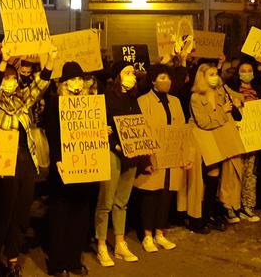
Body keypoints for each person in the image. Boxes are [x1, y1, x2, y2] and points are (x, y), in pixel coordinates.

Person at [0, 44, 57, 277]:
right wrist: (4, 62)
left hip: (25, 162)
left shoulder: (22, 100)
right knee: (1, 215)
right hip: (3, 162)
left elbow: (39, 86)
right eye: (7, 78)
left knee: (21, 216)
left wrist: (50, 61)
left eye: (14, 78)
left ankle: (12, 258)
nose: (11, 81)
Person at [43, 61, 95, 277]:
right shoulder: (55, 103)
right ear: (63, 83)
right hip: (63, 166)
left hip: (85, 167)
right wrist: (57, 160)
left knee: (80, 214)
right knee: (61, 215)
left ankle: (74, 260)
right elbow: (52, 134)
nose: (76, 83)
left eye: (79, 79)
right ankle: (58, 263)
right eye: (71, 79)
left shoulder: (90, 104)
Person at [134, 64, 190, 253]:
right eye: (162, 78)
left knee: (167, 195)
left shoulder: (175, 101)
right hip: (154, 155)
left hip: (172, 157)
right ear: (153, 80)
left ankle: (160, 233)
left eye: (168, 78)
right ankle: (147, 235)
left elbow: (181, 129)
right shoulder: (144, 101)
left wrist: (185, 155)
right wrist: (145, 159)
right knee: (151, 195)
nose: (166, 81)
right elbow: (142, 130)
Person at [94, 61, 142, 267]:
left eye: (133, 73)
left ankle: (120, 242)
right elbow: (102, 126)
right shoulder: (106, 98)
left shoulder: (134, 99)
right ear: (117, 76)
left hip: (131, 154)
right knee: (106, 201)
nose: (131, 76)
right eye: (127, 72)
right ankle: (102, 245)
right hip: (113, 153)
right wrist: (115, 145)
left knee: (122, 201)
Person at [189, 63, 243, 232]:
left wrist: (237, 102)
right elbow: (204, 122)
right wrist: (223, 112)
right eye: (210, 74)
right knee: (210, 178)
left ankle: (213, 213)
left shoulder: (221, 91)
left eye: (216, 73)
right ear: (202, 77)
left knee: (220, 177)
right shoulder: (196, 97)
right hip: (206, 141)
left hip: (221, 139)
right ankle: (202, 217)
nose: (215, 77)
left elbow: (239, 100)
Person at [226, 59, 261, 222]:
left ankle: (248, 206)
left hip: (254, 137)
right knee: (234, 172)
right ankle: (232, 207)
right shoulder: (231, 90)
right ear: (238, 73)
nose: (246, 73)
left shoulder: (259, 90)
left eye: (249, 70)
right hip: (237, 135)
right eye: (243, 70)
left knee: (250, 173)